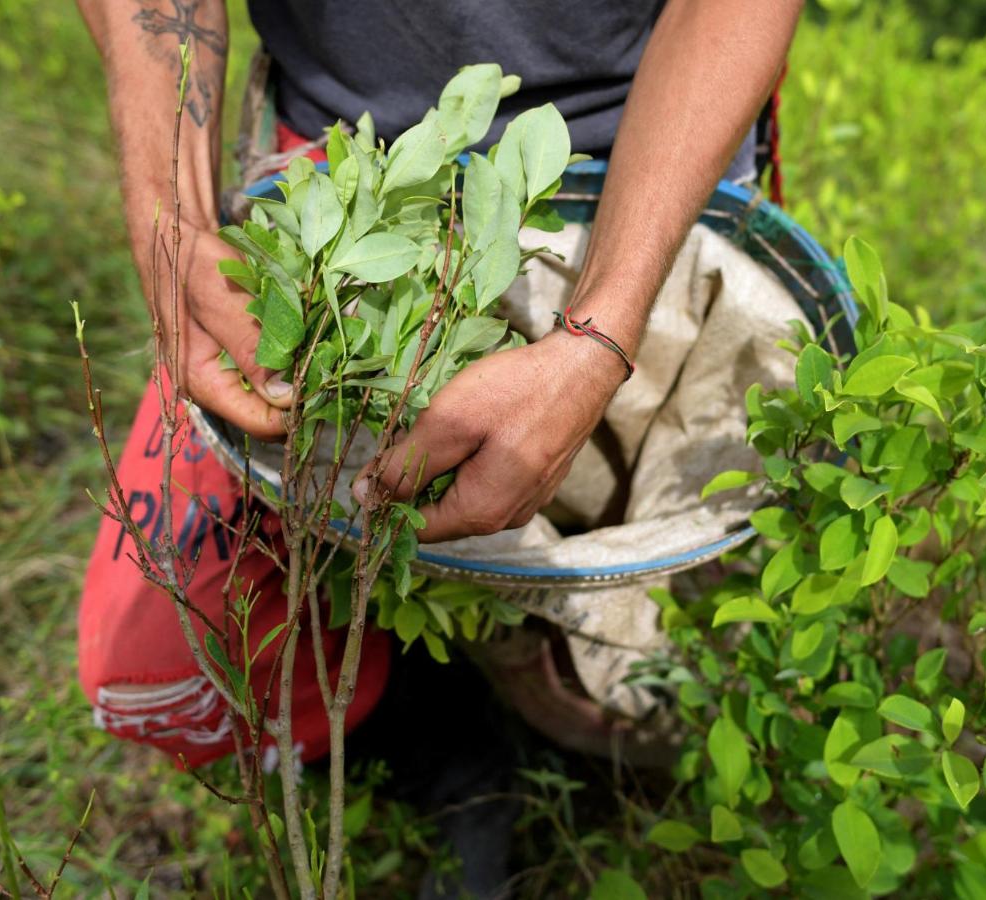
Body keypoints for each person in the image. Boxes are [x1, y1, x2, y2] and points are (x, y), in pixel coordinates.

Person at [72, 1, 799, 887]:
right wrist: (170, 218)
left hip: (644, 165)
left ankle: (551, 710)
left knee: (659, 640)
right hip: (344, 175)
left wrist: (597, 336)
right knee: (157, 660)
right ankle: (446, 752)